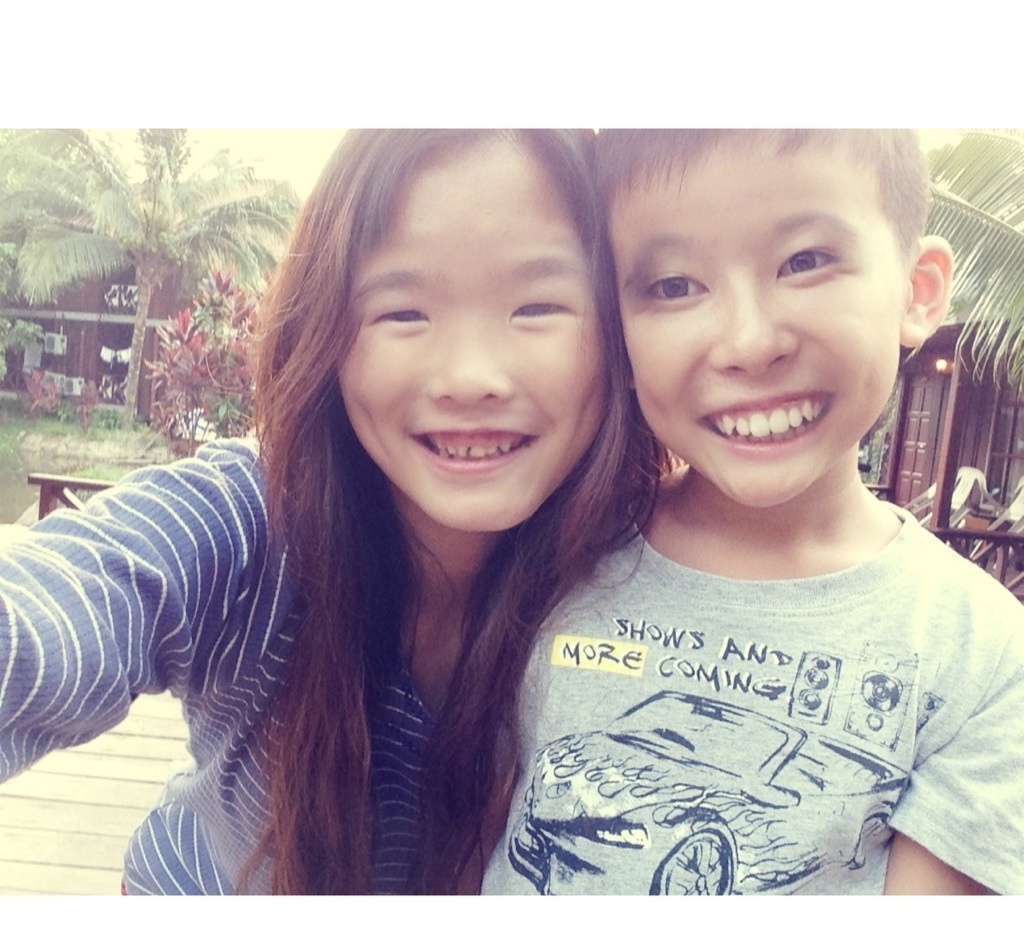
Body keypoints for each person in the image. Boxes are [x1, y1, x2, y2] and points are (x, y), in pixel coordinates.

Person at [0, 129, 657, 894]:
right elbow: (67, 602)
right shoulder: (253, 519)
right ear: (325, 338)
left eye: (537, 306)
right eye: (403, 312)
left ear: (619, 331)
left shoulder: (654, 581)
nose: (470, 377)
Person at [481, 129, 1024, 896]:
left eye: (805, 261)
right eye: (674, 285)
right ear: (617, 330)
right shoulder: (551, 554)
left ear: (918, 289)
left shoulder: (981, 655)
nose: (747, 342)